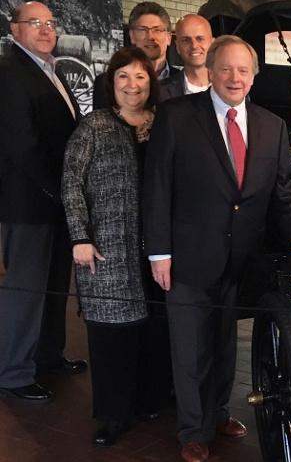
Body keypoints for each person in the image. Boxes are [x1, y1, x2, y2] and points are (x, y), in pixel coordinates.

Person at [142, 35, 291, 462]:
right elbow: (157, 188)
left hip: (239, 259)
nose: (234, 77)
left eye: (243, 70)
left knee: (224, 344)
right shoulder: (176, 116)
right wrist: (158, 252)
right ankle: (193, 430)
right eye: (226, 68)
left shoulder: (270, 126)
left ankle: (218, 412)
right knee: (189, 348)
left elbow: (285, 191)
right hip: (185, 256)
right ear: (211, 71)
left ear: (254, 75)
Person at [62, 46, 161, 446]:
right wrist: (80, 237)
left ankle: (148, 399)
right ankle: (112, 415)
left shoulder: (164, 124)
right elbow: (71, 181)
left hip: (156, 248)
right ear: (112, 82)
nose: (132, 85)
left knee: (153, 329)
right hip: (106, 246)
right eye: (123, 76)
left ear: (150, 82)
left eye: (140, 76)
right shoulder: (93, 126)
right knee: (110, 333)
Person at [0, 1, 85, 404]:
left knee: (54, 287)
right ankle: (13, 373)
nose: (45, 29)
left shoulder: (51, 71)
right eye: (35, 22)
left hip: (54, 204)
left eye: (50, 23)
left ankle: (48, 356)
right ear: (15, 30)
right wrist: (60, 190)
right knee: (26, 290)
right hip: (29, 205)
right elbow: (22, 145)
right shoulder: (10, 72)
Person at [93, 1, 179, 109]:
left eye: (157, 30)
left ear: (169, 38)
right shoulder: (106, 83)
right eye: (143, 30)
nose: (151, 37)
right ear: (132, 36)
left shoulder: (183, 81)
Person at [159, 14, 213, 101]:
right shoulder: (160, 92)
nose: (194, 46)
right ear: (177, 46)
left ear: (212, 43)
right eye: (186, 40)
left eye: (200, 38)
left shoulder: (230, 86)